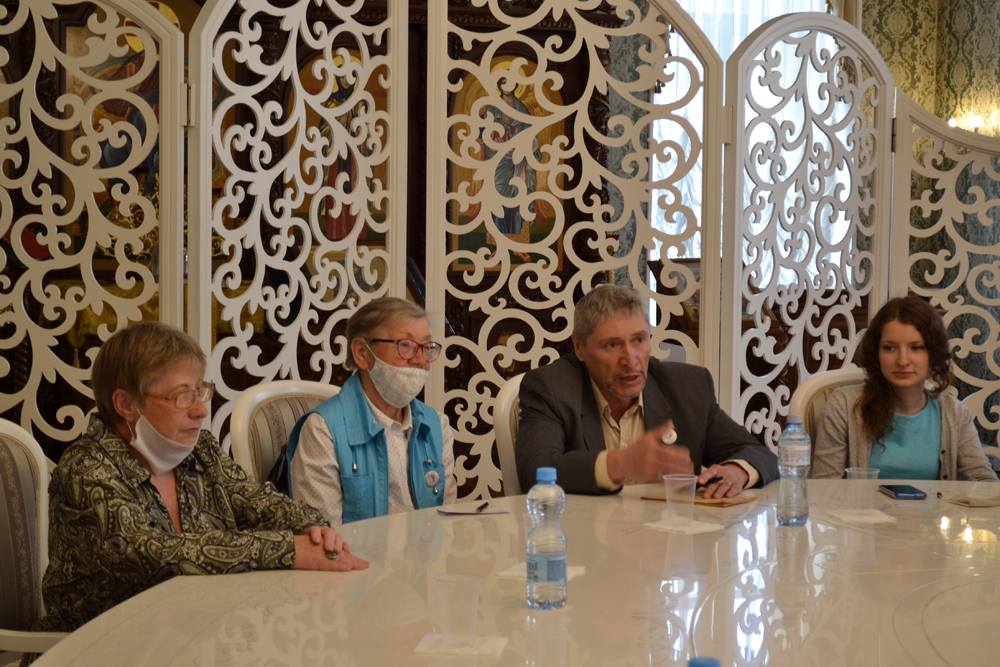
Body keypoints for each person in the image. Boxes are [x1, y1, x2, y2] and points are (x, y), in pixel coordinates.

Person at [32, 322, 368, 639]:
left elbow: (261, 502)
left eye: (199, 391)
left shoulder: (201, 451)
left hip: (192, 638)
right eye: (182, 396)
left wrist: (312, 528)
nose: (201, 410)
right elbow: (151, 554)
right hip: (97, 649)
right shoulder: (86, 468)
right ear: (126, 404)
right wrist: (288, 549)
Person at [515, 284, 778, 497]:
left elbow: (757, 453)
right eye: (612, 345)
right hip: (583, 541)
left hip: (667, 539)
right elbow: (535, 471)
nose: (631, 360)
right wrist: (621, 463)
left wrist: (737, 472)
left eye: (639, 340)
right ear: (579, 347)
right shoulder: (551, 388)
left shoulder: (688, 387)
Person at [288, 298, 456, 524]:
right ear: (362, 353)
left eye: (427, 347)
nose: (420, 360)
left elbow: (446, 523)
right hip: (356, 549)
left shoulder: (437, 427)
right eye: (406, 345)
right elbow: (326, 536)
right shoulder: (323, 431)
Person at [812, 296, 997, 481]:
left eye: (916, 348)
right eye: (889, 348)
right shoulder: (843, 406)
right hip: (857, 502)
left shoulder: (954, 413)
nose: (902, 361)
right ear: (876, 353)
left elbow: (985, 483)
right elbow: (824, 489)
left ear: (933, 354)